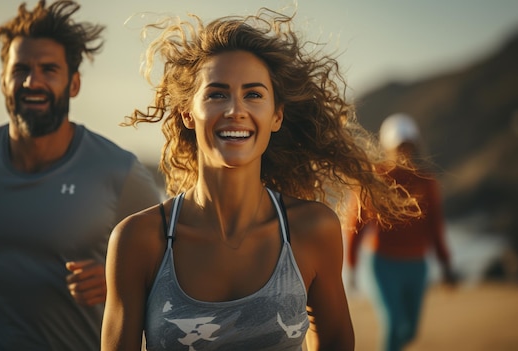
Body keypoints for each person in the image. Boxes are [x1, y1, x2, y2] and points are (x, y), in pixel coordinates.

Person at [101, 9, 421, 351]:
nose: (235, 110)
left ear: (276, 116)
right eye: (216, 94)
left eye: (253, 94)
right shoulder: (138, 240)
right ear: (187, 114)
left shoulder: (313, 230)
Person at [0, 1, 161, 350]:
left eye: (48, 69)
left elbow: (168, 269)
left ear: (74, 84)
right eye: (20, 68)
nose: (31, 81)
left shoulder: (120, 173)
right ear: (2, 80)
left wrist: (120, 279)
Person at [346, 113, 457, 351]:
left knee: (411, 331)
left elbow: (435, 227)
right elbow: (357, 224)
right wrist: (352, 265)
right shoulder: (374, 177)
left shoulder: (426, 181)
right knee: (394, 325)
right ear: (388, 147)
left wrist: (446, 265)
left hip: (417, 265)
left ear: (416, 145)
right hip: (383, 264)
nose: (403, 151)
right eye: (399, 146)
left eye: (408, 145)